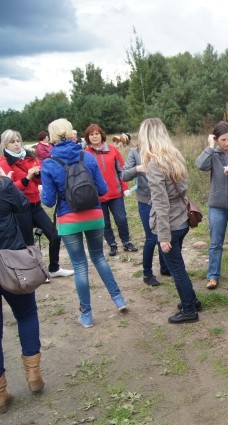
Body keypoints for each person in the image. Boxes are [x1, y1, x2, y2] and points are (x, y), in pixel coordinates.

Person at [41, 118, 128, 328]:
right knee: (99, 258)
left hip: (68, 219)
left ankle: (87, 315)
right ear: (71, 132)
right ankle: (119, 300)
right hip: (94, 216)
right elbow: (103, 189)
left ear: (52, 136)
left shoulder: (49, 163)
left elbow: (49, 201)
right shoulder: (87, 157)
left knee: (80, 266)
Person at [137, 117, 200, 324]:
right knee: (178, 265)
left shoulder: (155, 164)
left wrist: (163, 236)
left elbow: (161, 203)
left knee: (176, 268)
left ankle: (190, 309)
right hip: (182, 219)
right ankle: (191, 300)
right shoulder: (175, 156)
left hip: (170, 225)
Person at [0, 168, 45, 414]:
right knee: (27, 314)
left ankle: (0, 393)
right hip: (12, 261)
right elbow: (24, 210)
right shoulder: (4, 186)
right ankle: (33, 374)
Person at [0, 129, 74, 279]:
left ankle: (54, 268)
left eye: (18, 140)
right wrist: (27, 177)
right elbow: (9, 187)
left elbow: (40, 181)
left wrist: (39, 175)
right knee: (28, 243)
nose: (16, 144)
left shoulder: (29, 156)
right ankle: (34, 274)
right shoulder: (3, 162)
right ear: (5, 144)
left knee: (55, 235)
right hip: (20, 208)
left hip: (36, 204)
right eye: (12, 142)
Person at [195, 121, 228, 290]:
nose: (227, 143)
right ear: (216, 139)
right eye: (223, 140)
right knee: (215, 242)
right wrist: (210, 147)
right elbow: (200, 165)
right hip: (217, 205)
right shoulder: (213, 153)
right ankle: (213, 276)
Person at [122, 135, 170, 287]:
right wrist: (138, 168)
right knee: (151, 238)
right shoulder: (134, 152)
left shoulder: (163, 150)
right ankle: (147, 274)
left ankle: (165, 267)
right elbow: (124, 175)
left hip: (162, 199)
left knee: (163, 233)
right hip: (145, 201)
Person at [84, 124, 137, 257]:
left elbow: (122, 171)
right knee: (105, 222)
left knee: (121, 219)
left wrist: (124, 187)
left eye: (97, 133)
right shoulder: (85, 154)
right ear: (88, 137)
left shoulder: (113, 150)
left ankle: (126, 242)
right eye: (91, 134)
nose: (95, 136)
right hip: (97, 196)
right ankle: (112, 245)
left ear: (102, 135)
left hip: (115, 193)